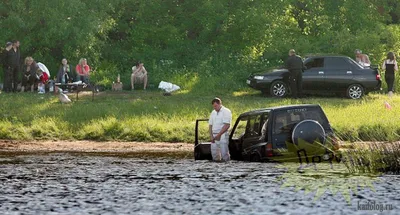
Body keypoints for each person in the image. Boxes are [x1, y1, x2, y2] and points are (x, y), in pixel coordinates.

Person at [208, 97, 232, 161]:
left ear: (220, 104)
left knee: (224, 153)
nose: (215, 108)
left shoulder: (226, 111)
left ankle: (226, 167)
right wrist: (211, 136)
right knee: (214, 154)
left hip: (223, 135)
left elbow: (227, 125)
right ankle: (216, 168)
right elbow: (210, 125)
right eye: (213, 106)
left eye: (216, 106)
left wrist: (219, 135)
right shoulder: (213, 112)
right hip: (214, 135)